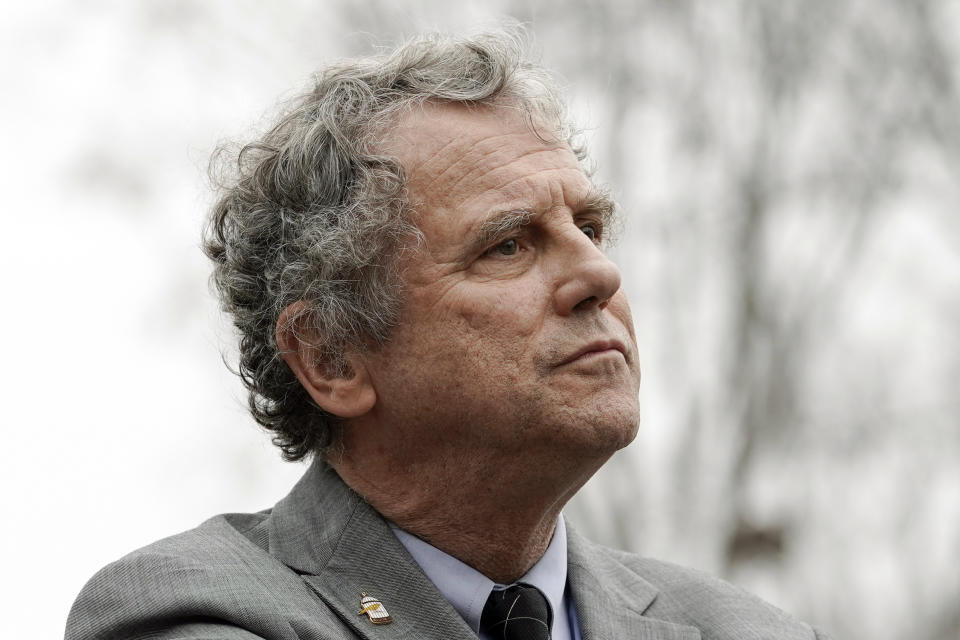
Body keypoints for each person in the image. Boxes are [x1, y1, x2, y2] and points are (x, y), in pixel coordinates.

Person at [66, 31, 829, 640]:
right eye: (508, 246)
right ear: (332, 356)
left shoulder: (751, 629)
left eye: (589, 227)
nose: (598, 274)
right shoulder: (192, 612)